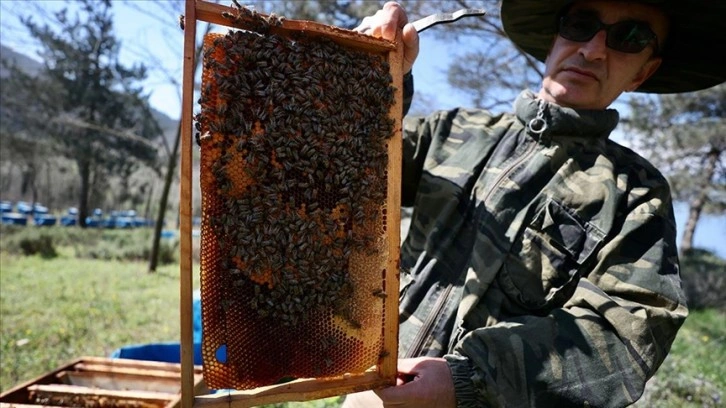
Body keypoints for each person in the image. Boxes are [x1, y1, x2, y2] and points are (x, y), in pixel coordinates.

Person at [346, 0, 726, 407]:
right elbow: (346, 172)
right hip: (372, 393)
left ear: (644, 71)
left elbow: (628, 330)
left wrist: (468, 379)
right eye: (580, 25)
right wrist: (369, 75)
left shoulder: (637, 192)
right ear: (554, 39)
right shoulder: (451, 129)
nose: (593, 49)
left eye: (630, 38)